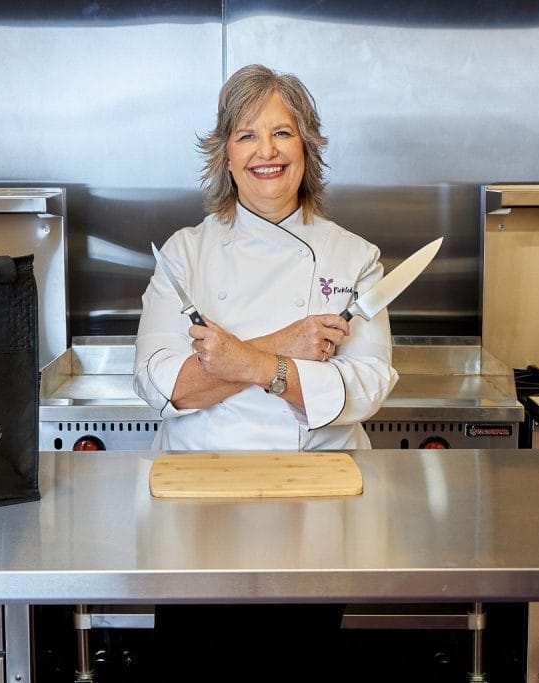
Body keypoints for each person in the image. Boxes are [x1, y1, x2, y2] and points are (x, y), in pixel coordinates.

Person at [133, 64, 399, 681]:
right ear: (225, 154)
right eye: (247, 135)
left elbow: (368, 385)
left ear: (308, 146)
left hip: (316, 502)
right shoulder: (185, 254)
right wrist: (284, 347)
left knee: (301, 661)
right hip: (196, 502)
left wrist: (249, 363)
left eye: (283, 133)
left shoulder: (354, 259)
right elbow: (162, 384)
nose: (267, 152)